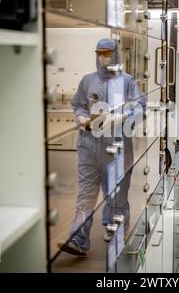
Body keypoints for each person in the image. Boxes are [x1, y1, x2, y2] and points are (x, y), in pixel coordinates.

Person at [59, 38, 146, 256]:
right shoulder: (88, 81)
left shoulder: (126, 82)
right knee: (86, 195)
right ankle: (78, 239)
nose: (102, 57)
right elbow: (78, 104)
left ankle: (117, 233)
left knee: (116, 195)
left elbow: (141, 107)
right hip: (89, 146)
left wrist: (122, 117)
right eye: (99, 53)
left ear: (115, 54)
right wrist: (80, 117)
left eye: (106, 53)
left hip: (116, 147)